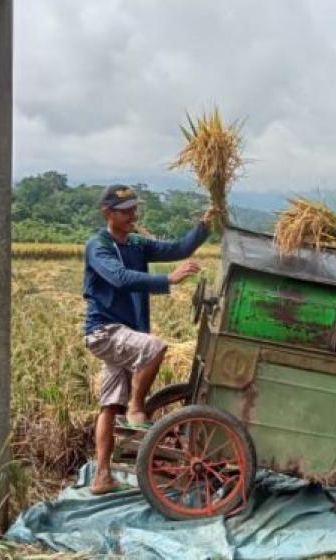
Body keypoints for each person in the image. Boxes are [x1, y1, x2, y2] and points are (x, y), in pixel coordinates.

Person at [83, 184, 215, 495]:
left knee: (108, 405)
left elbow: (177, 249)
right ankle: (137, 407)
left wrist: (205, 225)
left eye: (134, 209)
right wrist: (167, 279)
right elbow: (120, 278)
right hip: (105, 331)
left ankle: (102, 477)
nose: (132, 215)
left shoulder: (137, 243)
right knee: (154, 347)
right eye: (125, 211)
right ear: (108, 213)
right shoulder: (99, 246)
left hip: (126, 334)